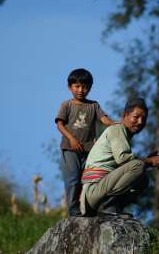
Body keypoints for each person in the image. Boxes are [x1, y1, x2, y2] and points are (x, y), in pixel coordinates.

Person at [80, 97, 159, 217]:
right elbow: (123, 159)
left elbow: (125, 165)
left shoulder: (124, 135)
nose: (140, 122)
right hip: (93, 191)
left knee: (142, 179)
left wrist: (147, 161)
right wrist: (149, 161)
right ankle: (107, 207)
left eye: (144, 119)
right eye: (136, 117)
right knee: (138, 166)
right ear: (125, 115)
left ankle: (113, 207)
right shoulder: (117, 129)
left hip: (99, 191)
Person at [55, 68, 114, 217]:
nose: (81, 90)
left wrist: (116, 125)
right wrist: (72, 139)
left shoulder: (93, 105)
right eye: (77, 86)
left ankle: (88, 207)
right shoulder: (66, 105)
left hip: (89, 150)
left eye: (85, 86)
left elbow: (104, 119)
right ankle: (73, 209)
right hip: (70, 149)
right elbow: (60, 124)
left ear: (90, 87)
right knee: (73, 178)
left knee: (89, 179)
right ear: (70, 87)